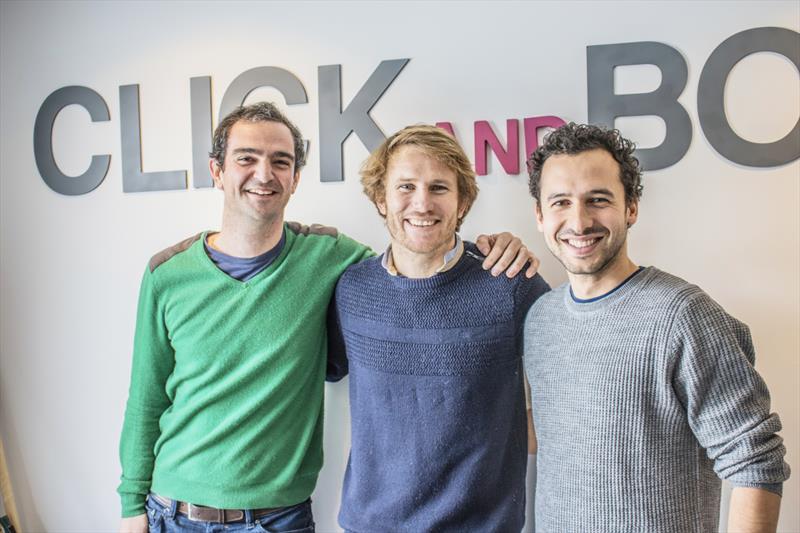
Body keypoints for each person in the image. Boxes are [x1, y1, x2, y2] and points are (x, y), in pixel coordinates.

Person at [117, 103, 538, 533]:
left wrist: (502, 245)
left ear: (295, 177)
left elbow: (416, 260)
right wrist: (132, 508)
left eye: (280, 161)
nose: (264, 174)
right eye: (246, 158)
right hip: (173, 512)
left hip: (280, 518)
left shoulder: (333, 261)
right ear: (217, 170)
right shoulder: (169, 273)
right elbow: (146, 400)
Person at [523, 122, 790, 533]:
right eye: (560, 202)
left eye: (598, 199)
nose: (578, 221)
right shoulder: (540, 319)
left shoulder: (683, 315)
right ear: (540, 216)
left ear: (631, 207)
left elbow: (755, 460)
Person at [331, 125, 550, 532]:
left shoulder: (509, 283)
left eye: (438, 188)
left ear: (462, 201)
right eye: (405, 187)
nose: (422, 203)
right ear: (380, 198)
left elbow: (574, 384)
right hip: (370, 525)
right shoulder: (352, 290)